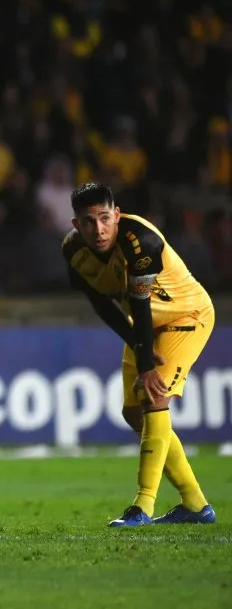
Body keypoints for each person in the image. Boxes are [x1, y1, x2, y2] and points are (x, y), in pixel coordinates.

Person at [63, 182, 216, 526]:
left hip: (185, 317)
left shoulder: (140, 242)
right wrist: (137, 344)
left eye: (105, 218)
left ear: (117, 215)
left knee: (154, 399)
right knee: (134, 414)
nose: (99, 229)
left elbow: (140, 303)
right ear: (76, 225)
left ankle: (142, 506)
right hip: (145, 326)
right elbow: (102, 303)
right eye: (88, 221)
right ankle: (195, 505)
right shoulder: (73, 251)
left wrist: (147, 364)